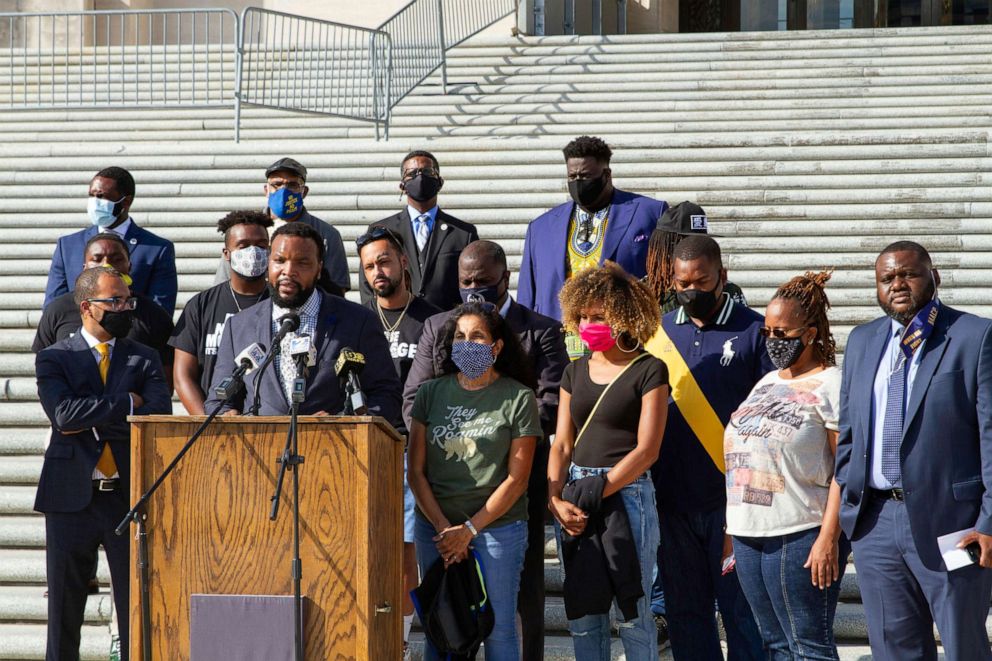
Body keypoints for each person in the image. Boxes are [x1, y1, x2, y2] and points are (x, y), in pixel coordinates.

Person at [403, 240, 568, 659]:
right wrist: (445, 528)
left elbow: (550, 404)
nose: (474, 288)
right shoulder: (435, 336)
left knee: (506, 620)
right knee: (444, 623)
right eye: (466, 282)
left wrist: (504, 437)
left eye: (484, 281)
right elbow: (412, 409)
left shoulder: (537, 339)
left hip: (503, 510)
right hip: (438, 520)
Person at [834, 241, 992, 661]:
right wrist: (851, 514)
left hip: (954, 525)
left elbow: (991, 436)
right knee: (893, 650)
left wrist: (989, 521)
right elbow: (849, 433)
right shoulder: (863, 340)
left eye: (909, 274)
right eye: (887, 278)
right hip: (876, 525)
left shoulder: (974, 337)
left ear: (934, 277)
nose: (898, 284)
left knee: (964, 646)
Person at [34, 266, 172, 661]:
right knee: (64, 602)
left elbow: (158, 412)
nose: (124, 308)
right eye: (114, 301)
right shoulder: (54, 357)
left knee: (134, 602)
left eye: (127, 300)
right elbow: (63, 415)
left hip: (126, 496)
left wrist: (93, 415)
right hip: (70, 495)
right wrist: (128, 403)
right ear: (87, 307)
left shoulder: (143, 357)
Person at [644, 234, 769, 661]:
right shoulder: (658, 332)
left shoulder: (756, 330)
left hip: (735, 503)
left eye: (701, 281)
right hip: (672, 499)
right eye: (682, 284)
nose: (691, 291)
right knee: (685, 614)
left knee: (743, 614)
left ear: (722, 277)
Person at [725, 271, 850, 660]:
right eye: (767, 332)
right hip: (748, 529)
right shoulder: (764, 381)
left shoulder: (833, 382)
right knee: (774, 643)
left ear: (810, 334)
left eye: (783, 333)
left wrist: (829, 538)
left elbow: (844, 469)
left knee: (808, 644)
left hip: (800, 532)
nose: (773, 341)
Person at [548, 261, 669, 660]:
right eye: (582, 316)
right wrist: (556, 498)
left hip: (628, 494)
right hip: (576, 494)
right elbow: (562, 444)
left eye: (597, 316)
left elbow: (647, 449)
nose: (587, 324)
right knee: (584, 613)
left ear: (624, 315)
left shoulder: (650, 369)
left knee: (633, 612)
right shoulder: (573, 371)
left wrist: (599, 488)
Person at [407, 302, 541, 661]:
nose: (467, 344)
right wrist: (444, 529)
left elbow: (517, 479)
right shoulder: (429, 393)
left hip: (498, 529)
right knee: (441, 628)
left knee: (498, 632)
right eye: (460, 337)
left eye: (477, 337)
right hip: (435, 530)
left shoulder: (519, 398)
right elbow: (415, 472)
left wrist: (468, 530)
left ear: (496, 347)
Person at [204, 222, 400, 421]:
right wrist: (229, 416)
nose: (288, 271)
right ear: (268, 263)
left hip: (333, 447)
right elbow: (218, 400)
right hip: (260, 446)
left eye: (302, 263)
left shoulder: (358, 321)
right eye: (279, 260)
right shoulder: (238, 326)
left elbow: (386, 396)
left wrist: (342, 422)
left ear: (319, 269)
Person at [356, 224, 440, 654]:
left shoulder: (433, 318)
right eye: (369, 266)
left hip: (412, 452)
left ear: (404, 261)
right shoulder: (356, 320)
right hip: (363, 452)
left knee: (408, 555)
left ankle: (403, 642)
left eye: (384, 260)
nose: (378, 271)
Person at [517, 135, 668, 326]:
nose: (578, 182)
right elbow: (527, 296)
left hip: (624, 338)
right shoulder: (540, 228)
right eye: (573, 177)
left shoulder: (650, 213)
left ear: (607, 175)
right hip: (558, 342)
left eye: (586, 176)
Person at [34, 233, 175, 384]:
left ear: (129, 266)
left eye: (117, 259)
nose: (106, 264)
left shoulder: (154, 315)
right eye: (97, 259)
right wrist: (128, 401)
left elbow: (164, 381)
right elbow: (47, 372)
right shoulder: (58, 310)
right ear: (84, 267)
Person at [171, 210, 272, 415]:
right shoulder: (200, 305)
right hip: (216, 419)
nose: (253, 252)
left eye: (261, 246)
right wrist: (209, 424)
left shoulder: (282, 302)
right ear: (226, 253)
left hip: (271, 421)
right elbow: (183, 376)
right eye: (243, 245)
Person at [44, 166, 178, 314]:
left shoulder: (157, 249)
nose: (94, 202)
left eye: (101, 196)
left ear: (126, 202)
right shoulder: (68, 246)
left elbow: (160, 312)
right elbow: (54, 308)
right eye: (91, 195)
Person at [360, 150, 478, 311]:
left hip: (447, 325)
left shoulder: (464, 233)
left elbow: (472, 285)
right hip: (399, 323)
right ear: (402, 185)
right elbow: (368, 284)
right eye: (412, 173)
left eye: (427, 172)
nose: (420, 177)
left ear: (440, 182)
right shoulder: (381, 230)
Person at [213, 157, 350, 294]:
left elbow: (336, 292)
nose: (284, 191)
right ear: (266, 190)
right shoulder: (245, 232)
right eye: (276, 184)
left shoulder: (326, 234)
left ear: (304, 192)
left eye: (292, 185)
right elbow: (223, 284)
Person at [646, 201, 747, 314]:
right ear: (666, 247)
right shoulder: (643, 292)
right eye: (688, 242)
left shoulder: (727, 290)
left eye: (702, 241)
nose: (697, 248)